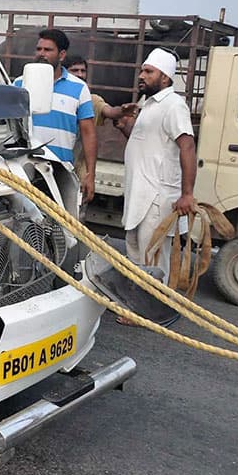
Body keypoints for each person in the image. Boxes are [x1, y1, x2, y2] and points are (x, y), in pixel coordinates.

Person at [119, 48, 196, 293]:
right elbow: (146, 143)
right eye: (142, 70)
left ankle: (151, 306)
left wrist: (187, 194)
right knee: (136, 251)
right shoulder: (147, 103)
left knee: (152, 256)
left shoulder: (174, 105)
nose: (142, 75)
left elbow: (188, 146)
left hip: (157, 197)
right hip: (138, 194)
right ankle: (138, 303)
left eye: (149, 71)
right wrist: (123, 127)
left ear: (165, 78)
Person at [13, 29, 97, 202]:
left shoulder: (79, 88)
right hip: (24, 169)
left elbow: (88, 133)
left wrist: (90, 174)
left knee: (59, 225)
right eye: (39, 49)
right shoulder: (20, 83)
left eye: (48, 50)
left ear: (62, 54)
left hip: (60, 172)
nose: (41, 54)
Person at [64, 54, 136, 183]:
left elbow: (109, 111)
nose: (80, 75)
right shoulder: (54, 97)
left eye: (83, 71)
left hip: (76, 173)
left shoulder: (90, 100)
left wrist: (121, 111)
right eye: (74, 70)